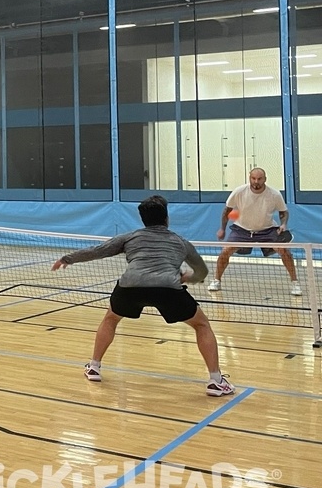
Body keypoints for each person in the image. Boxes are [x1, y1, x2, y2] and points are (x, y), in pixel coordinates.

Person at [52, 194, 234, 397]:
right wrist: (186, 278)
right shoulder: (180, 242)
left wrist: (67, 258)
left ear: (143, 219)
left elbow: (98, 251)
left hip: (131, 287)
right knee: (201, 325)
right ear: (166, 218)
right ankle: (215, 380)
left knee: (111, 319)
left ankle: (94, 367)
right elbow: (201, 272)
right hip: (167, 288)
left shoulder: (130, 237)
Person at [209, 167, 300, 296]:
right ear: (249, 178)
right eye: (253, 178)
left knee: (284, 251)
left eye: (259, 179)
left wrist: (283, 224)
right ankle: (216, 280)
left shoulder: (274, 194)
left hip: (267, 229)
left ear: (265, 179)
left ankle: (295, 283)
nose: (256, 181)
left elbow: (283, 212)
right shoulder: (239, 192)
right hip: (242, 229)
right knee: (225, 251)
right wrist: (222, 229)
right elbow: (227, 211)